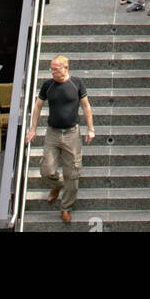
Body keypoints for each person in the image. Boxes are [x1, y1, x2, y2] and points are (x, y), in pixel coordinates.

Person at [25, 55, 95, 225]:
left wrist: (91, 129)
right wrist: (33, 128)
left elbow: (86, 106)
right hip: (53, 133)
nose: (52, 71)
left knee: (73, 173)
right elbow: (37, 106)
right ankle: (57, 185)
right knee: (46, 170)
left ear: (66, 68)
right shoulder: (48, 85)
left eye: (55, 68)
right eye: (51, 68)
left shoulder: (76, 83)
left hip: (72, 134)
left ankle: (66, 208)